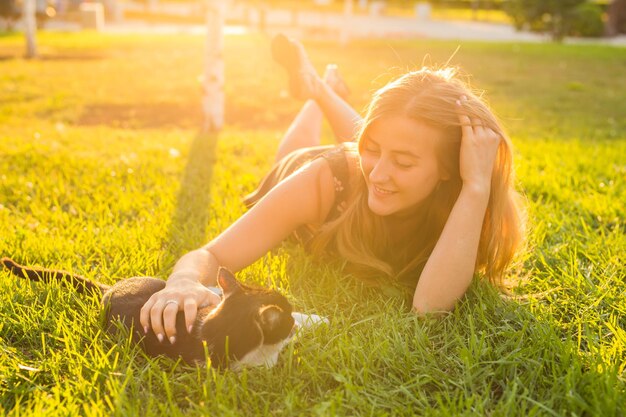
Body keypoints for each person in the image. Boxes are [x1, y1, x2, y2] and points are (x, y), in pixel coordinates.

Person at [140, 35, 525, 345]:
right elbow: (211, 253)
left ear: (451, 168)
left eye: (405, 163)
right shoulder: (323, 180)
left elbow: (429, 308)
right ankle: (317, 96)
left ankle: (321, 88)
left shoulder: (464, 195)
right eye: (372, 149)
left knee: (386, 147)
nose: (381, 174)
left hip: (363, 164)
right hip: (317, 172)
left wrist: (476, 185)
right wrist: (184, 282)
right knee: (296, 156)